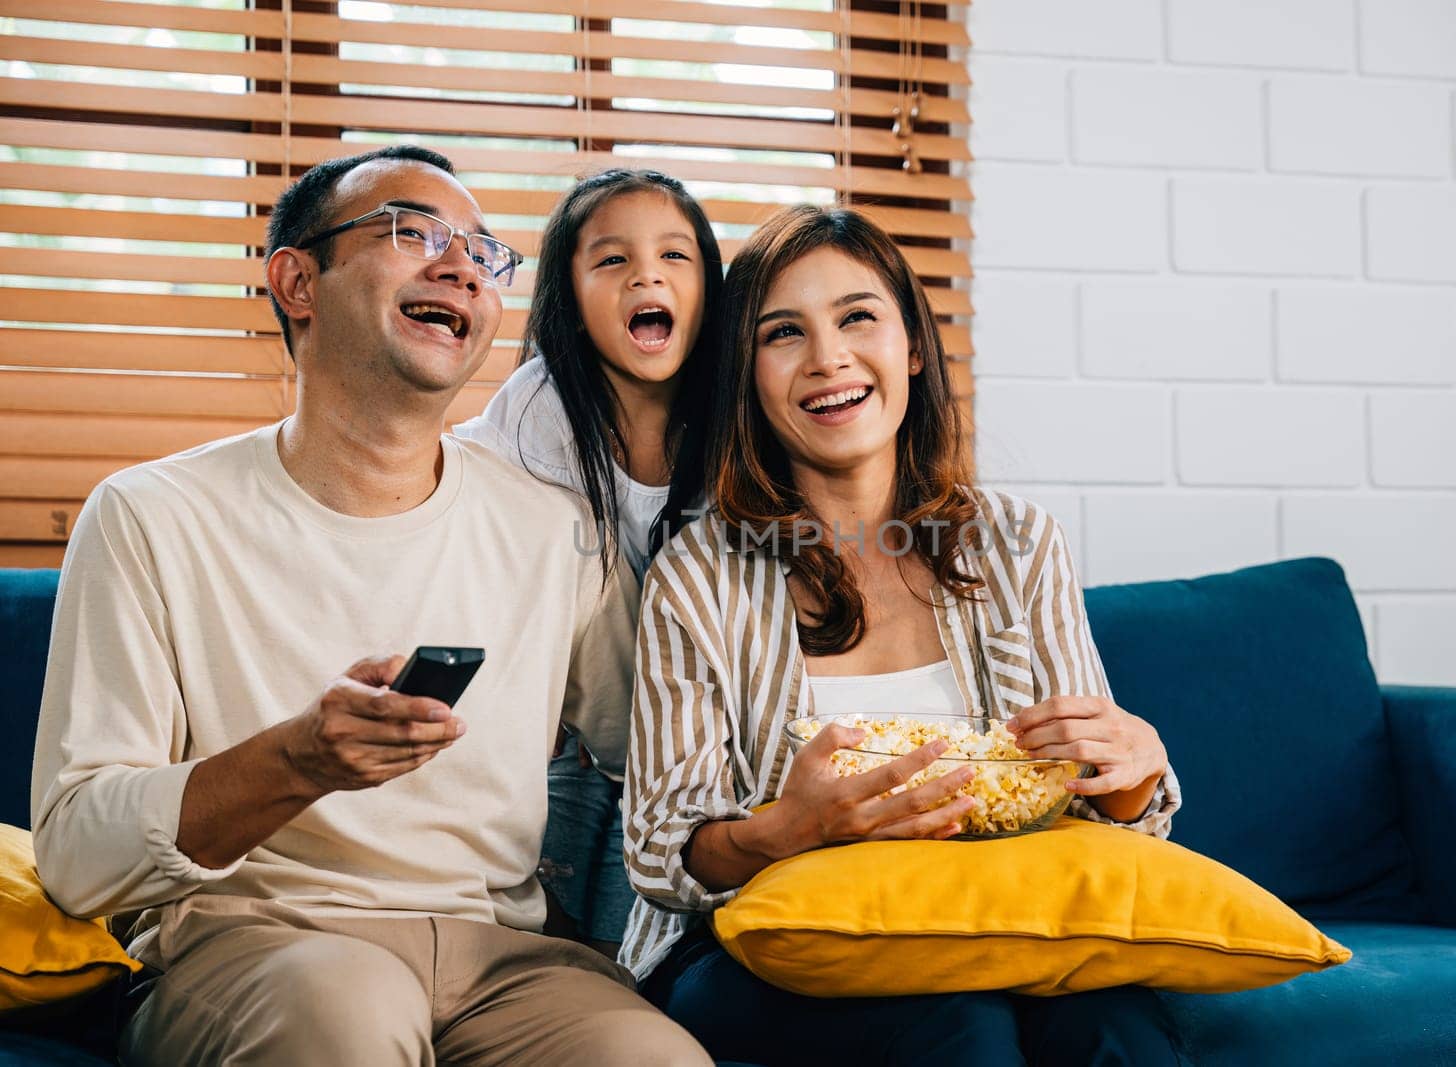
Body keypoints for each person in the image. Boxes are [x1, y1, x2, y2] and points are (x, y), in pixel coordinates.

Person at [30, 145, 711, 1067]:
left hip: (501, 963)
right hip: (256, 942)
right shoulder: (151, 516)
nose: (461, 265)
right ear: (297, 282)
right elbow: (75, 854)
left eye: (481, 251)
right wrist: (295, 759)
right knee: (347, 1016)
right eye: (412, 232)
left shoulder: (558, 532)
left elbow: (672, 753)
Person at [621, 205, 1187, 1066]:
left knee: (1118, 1025)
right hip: (760, 942)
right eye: (784, 333)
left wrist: (1130, 772)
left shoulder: (1018, 543)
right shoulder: (696, 574)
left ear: (913, 347)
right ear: (748, 377)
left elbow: (1098, 813)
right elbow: (662, 850)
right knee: (961, 1025)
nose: (828, 358)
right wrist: (789, 827)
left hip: (997, 913)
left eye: (857, 316)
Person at [455, 168, 721, 956]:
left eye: (676, 256)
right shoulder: (538, 418)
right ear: (569, 300)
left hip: (678, 747)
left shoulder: (730, 418)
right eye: (612, 261)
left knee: (636, 957)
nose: (647, 273)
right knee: (555, 943)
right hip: (565, 728)